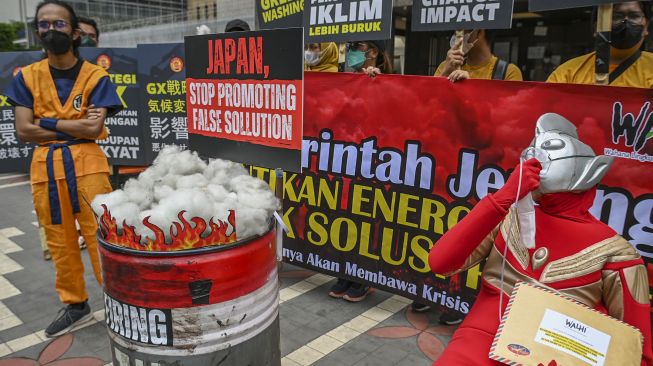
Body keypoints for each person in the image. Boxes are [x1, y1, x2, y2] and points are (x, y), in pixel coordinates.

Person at [428, 113, 652, 365]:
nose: (537, 160)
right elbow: (441, 262)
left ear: (590, 170)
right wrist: (502, 198)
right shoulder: (507, 217)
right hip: (473, 348)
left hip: (554, 354)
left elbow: (636, 350)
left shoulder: (617, 253)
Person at [5, 0, 123, 338]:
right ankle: (75, 303)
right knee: (59, 240)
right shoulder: (26, 78)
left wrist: (48, 120)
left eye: (58, 25)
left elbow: (92, 131)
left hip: (88, 164)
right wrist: (75, 124)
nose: (50, 30)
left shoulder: (96, 77)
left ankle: (118, 300)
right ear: (37, 30)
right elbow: (24, 131)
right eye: (44, 24)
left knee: (103, 234)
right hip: (46, 166)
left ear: (74, 33)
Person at [417, 28, 524, 319]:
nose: (458, 35)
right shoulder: (445, 65)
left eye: (465, 29)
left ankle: (460, 298)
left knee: (475, 233)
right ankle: (430, 288)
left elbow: (511, 122)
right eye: (454, 30)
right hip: (445, 165)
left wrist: (474, 93)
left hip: (483, 170)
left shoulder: (507, 72)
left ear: (481, 31)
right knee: (440, 226)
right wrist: (447, 72)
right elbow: (426, 110)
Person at [328, 40, 392, 302]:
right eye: (350, 46)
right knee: (345, 218)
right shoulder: (345, 80)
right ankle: (346, 272)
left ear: (373, 52)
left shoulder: (388, 82)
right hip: (346, 160)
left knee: (367, 220)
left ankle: (363, 277)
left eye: (359, 46)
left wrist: (376, 85)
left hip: (374, 163)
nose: (352, 51)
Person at [548, 1, 652, 87]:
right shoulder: (567, 73)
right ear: (597, 27)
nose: (626, 22)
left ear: (646, 26)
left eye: (634, 16)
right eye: (616, 16)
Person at [435, 29, 522, 82]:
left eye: (461, 30)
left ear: (479, 32)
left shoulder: (508, 72)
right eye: (456, 31)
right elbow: (430, 105)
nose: (456, 36)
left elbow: (508, 111)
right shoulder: (446, 66)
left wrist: (471, 86)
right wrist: (445, 74)